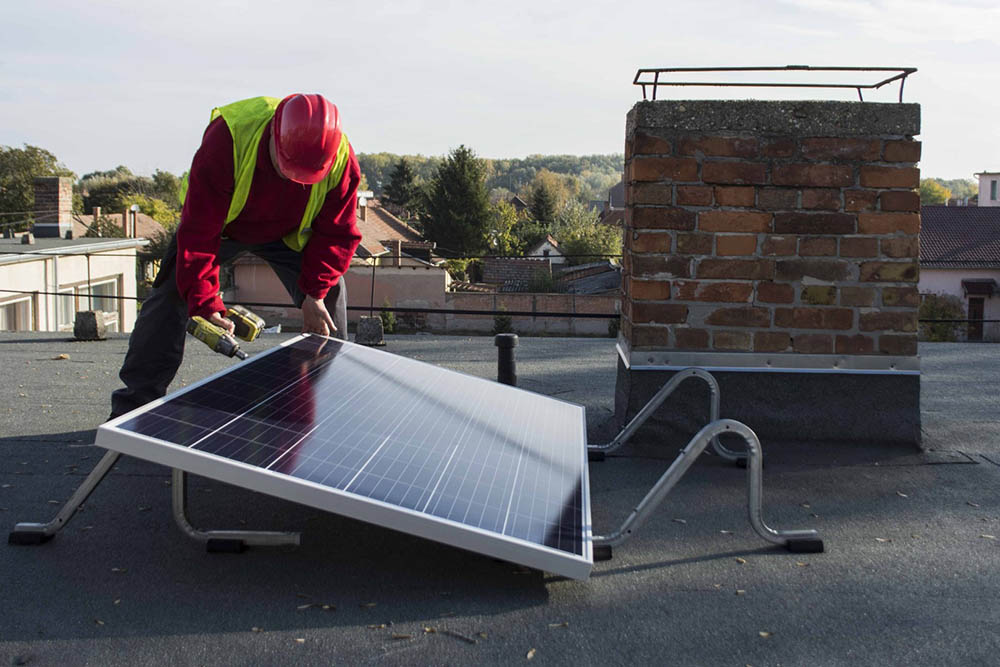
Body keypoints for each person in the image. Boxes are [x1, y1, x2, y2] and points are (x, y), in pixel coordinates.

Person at [109, 94, 361, 419]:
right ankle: (134, 410)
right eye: (288, 169)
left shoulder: (340, 161)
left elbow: (337, 234)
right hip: (224, 228)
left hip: (287, 236)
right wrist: (204, 301)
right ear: (274, 134)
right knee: (171, 293)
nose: (292, 180)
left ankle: (326, 410)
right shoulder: (227, 139)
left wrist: (315, 294)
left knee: (329, 299)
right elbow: (199, 232)